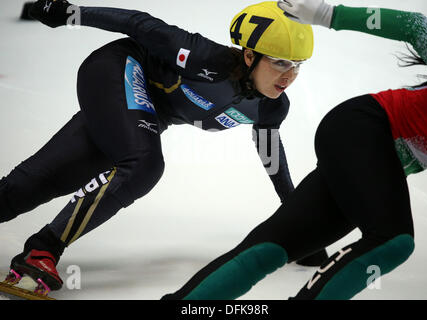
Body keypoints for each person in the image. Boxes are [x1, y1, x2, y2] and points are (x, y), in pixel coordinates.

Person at [0, 0, 327, 293]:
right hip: (119, 68)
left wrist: (299, 226)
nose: (290, 76)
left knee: (39, 182)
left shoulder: (271, 107)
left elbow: (272, 159)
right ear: (249, 54)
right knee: (143, 165)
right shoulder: (203, 58)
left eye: (298, 64)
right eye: (280, 63)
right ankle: (43, 250)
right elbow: (138, 23)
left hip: (140, 113)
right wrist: (67, 12)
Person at [162, 0, 427, 300]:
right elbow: (418, 28)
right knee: (393, 240)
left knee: (269, 249)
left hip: (367, 160)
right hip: (363, 129)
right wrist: (328, 15)